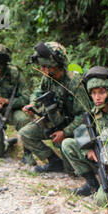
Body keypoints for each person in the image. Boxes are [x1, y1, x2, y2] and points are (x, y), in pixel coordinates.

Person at [61, 66, 108, 206]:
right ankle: (91, 183)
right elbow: (85, 131)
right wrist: (88, 149)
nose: (97, 97)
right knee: (68, 144)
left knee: (102, 202)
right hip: (100, 159)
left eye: (101, 92)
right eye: (93, 93)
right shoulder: (96, 112)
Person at [19, 41, 92, 173]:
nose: (42, 70)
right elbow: (37, 93)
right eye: (41, 66)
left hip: (73, 129)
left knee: (71, 171)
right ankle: (54, 162)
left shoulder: (74, 83)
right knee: (25, 134)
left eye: (45, 66)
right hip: (54, 122)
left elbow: (85, 115)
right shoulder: (48, 77)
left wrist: (65, 133)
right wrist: (33, 104)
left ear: (56, 65)